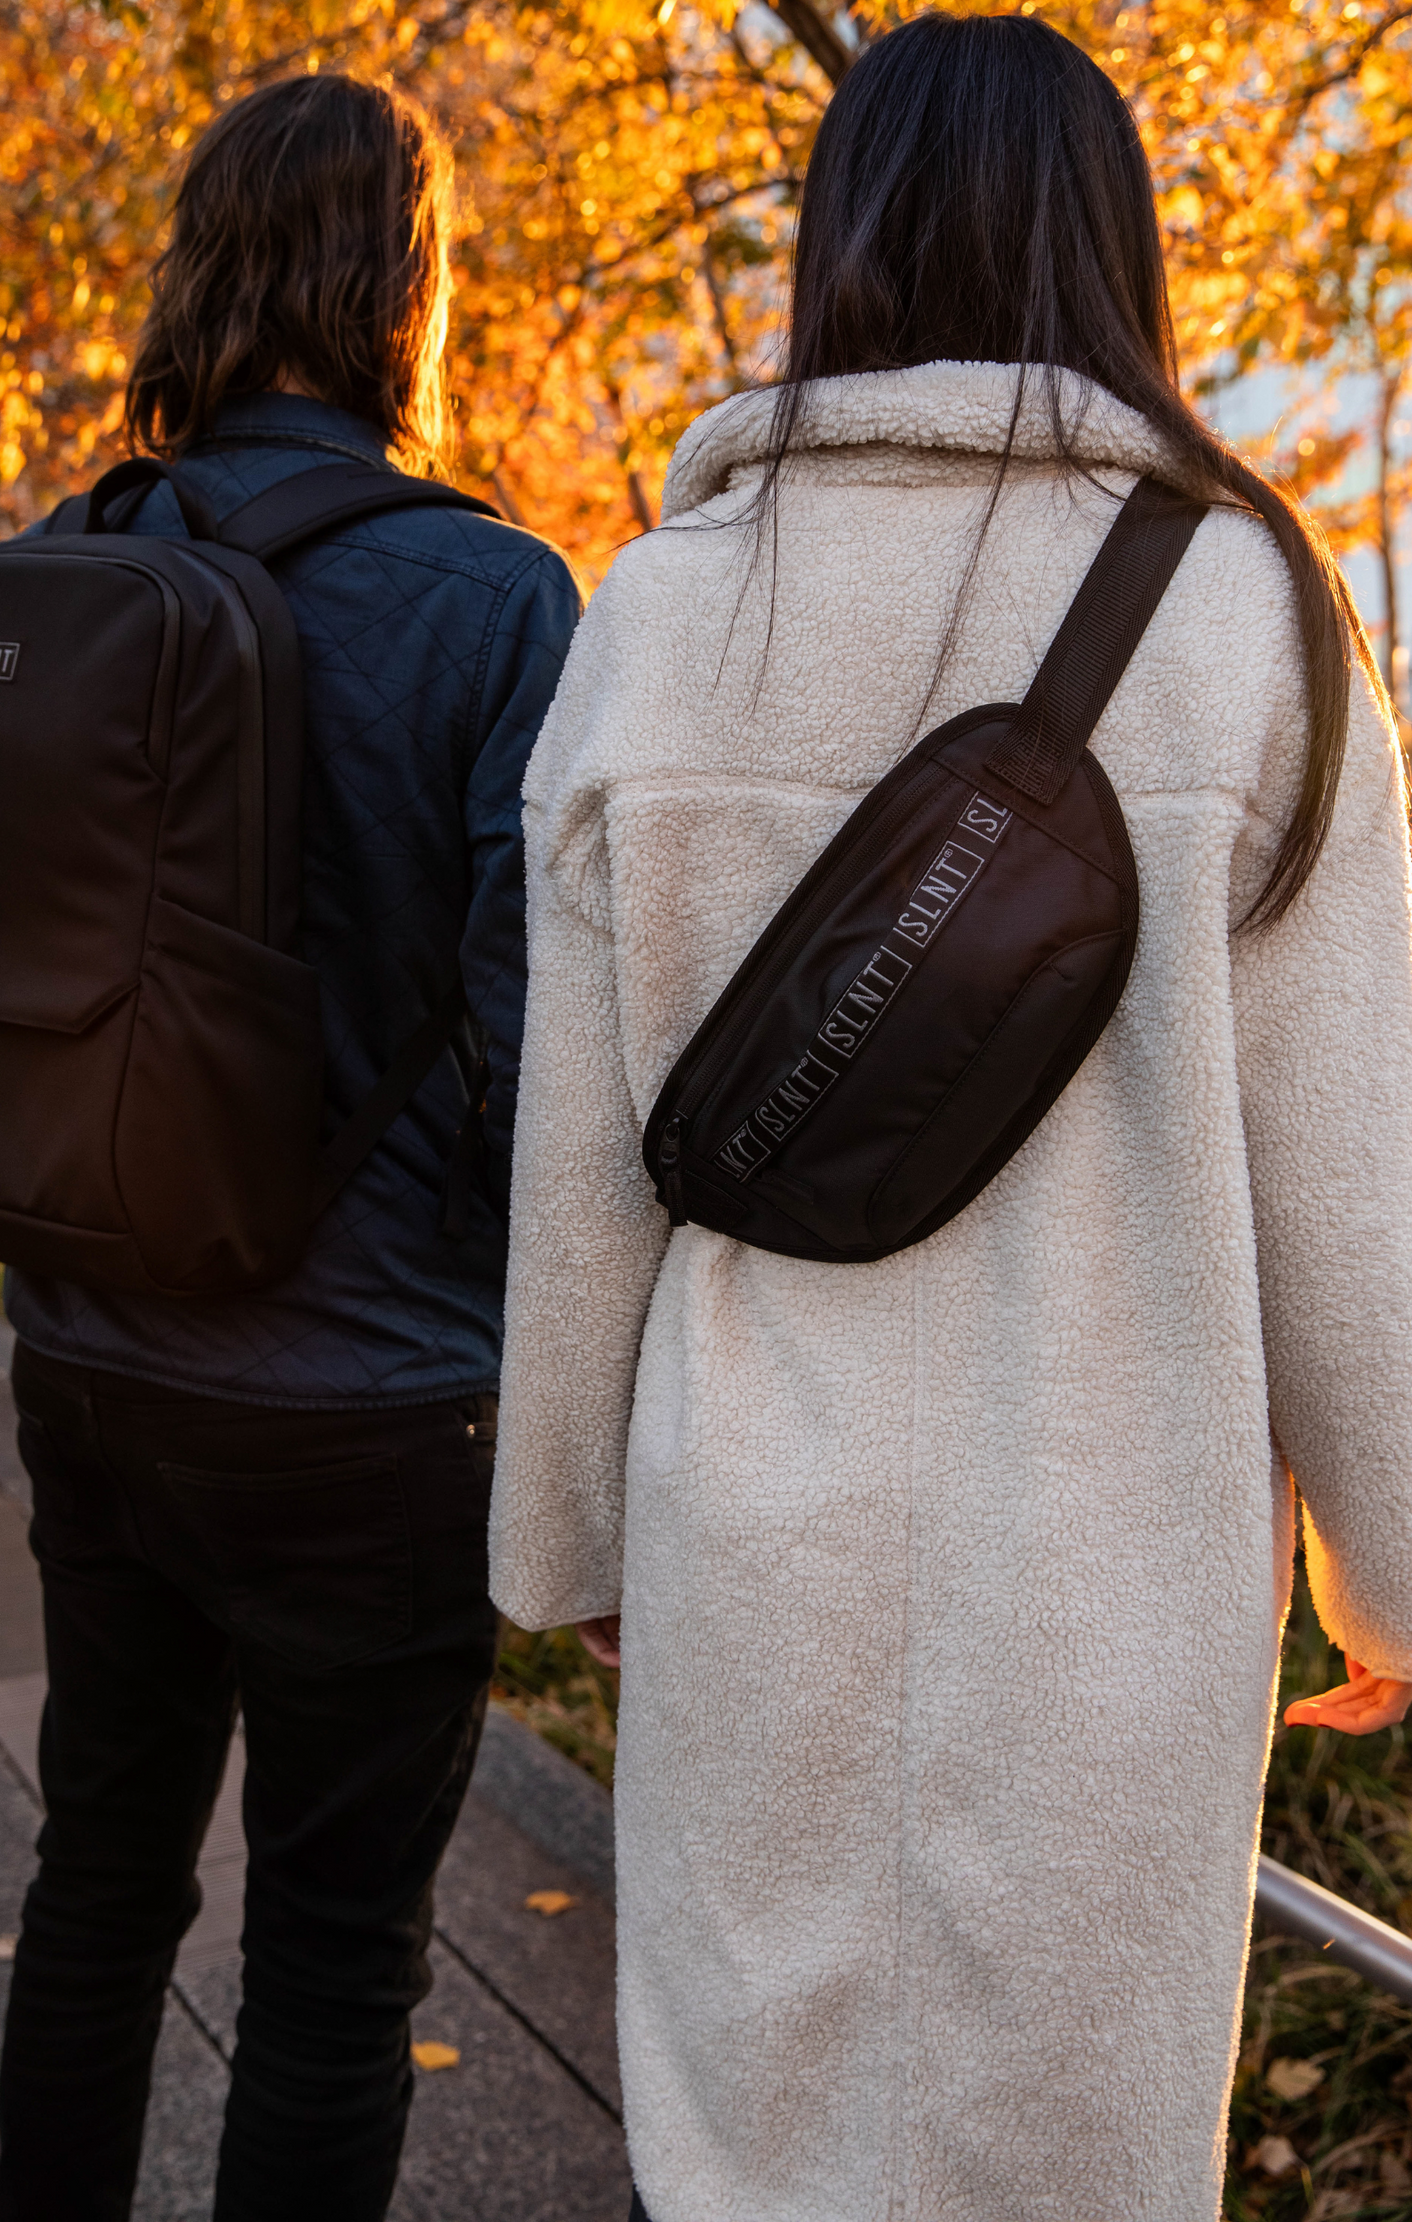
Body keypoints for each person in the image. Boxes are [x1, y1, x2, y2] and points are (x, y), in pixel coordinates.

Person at [487, 17, 1412, 2222]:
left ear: (839, 247)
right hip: (1108, 1569)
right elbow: (1350, 1165)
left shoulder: (661, 612)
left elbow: (584, 1153)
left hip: (753, 1534)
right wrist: (1386, 1566)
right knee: (1069, 2150)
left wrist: (571, 1533)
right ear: (1114, 252)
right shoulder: (1250, 617)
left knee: (749, 2144)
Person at [0, 73, 580, 2222]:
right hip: (374, 1407)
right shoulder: (503, 598)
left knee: (97, 1884)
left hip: (87, 1358)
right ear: (411, 292)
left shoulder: (44, 575)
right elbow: (536, 1042)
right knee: (336, 1972)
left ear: (198, 268)